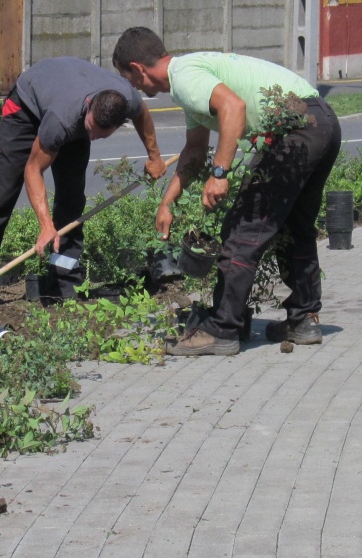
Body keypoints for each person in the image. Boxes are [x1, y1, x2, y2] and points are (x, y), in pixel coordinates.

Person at [112, 27, 342, 355]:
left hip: (297, 130)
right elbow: (193, 152)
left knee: (241, 230)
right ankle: (304, 319)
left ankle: (223, 328)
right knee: (295, 228)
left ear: (138, 68)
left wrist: (220, 174)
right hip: (322, 123)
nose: (132, 86)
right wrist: (167, 203)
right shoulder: (192, 80)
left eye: (128, 77)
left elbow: (234, 108)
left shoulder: (185, 77)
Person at [0, 56, 166, 301]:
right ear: (89, 106)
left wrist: (154, 156)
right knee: (1, 194)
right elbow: (32, 170)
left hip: (68, 101)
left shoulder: (126, 99)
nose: (93, 137)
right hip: (26, 107)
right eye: (90, 129)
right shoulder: (62, 120)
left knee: (72, 200)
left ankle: (63, 283)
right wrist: (46, 226)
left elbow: (143, 115)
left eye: (100, 135)